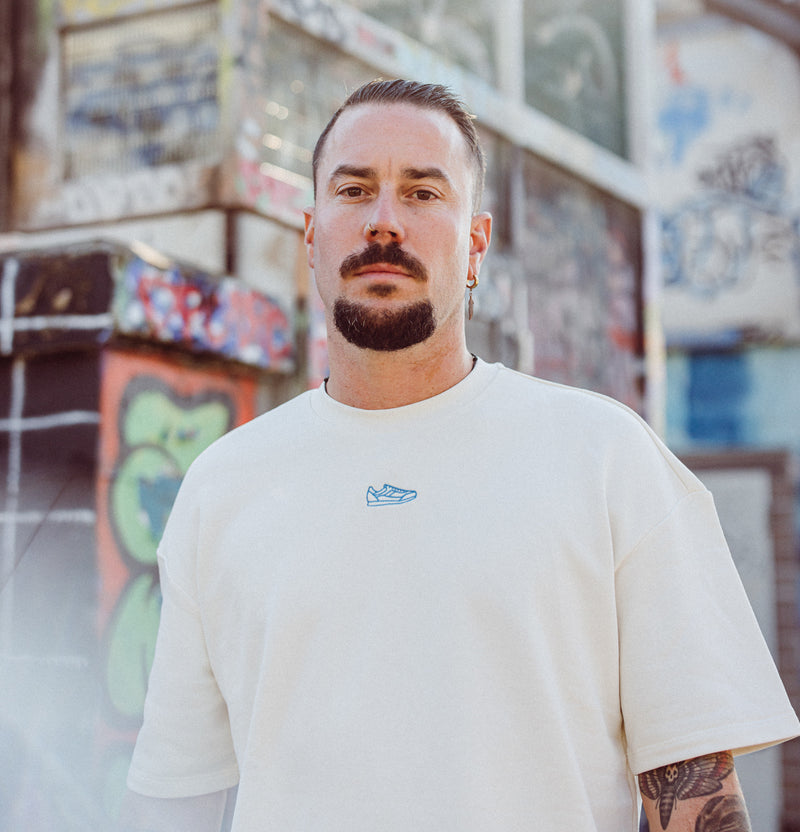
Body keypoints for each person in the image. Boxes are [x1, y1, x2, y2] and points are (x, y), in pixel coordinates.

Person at [124, 79, 799, 832]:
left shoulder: (606, 459)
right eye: (354, 190)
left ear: (475, 243)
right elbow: (172, 801)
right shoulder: (222, 486)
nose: (384, 223)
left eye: (421, 194)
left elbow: (698, 804)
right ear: (311, 237)